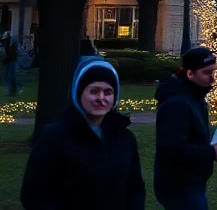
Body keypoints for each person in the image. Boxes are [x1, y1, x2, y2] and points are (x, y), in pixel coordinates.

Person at [21, 56, 145, 209]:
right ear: (78, 93)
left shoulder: (125, 138)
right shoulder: (55, 137)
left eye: (108, 92)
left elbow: (135, 188)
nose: (101, 98)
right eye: (94, 91)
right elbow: (33, 194)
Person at [155, 46, 217, 210]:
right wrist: (212, 152)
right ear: (190, 74)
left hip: (192, 181)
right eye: (206, 73)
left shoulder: (195, 96)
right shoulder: (177, 103)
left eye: (214, 72)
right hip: (179, 185)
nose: (212, 78)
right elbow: (171, 149)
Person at [4, 31, 19, 96]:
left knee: (11, 77)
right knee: (11, 77)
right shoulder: (11, 44)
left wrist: (7, 60)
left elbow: (11, 54)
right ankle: (13, 91)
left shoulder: (12, 44)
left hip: (11, 61)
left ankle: (12, 91)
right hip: (11, 61)